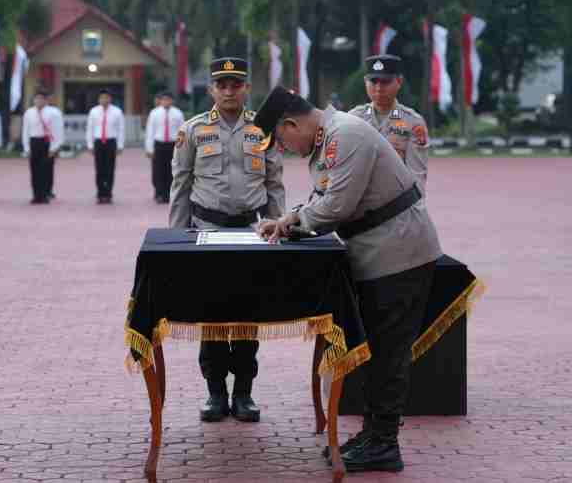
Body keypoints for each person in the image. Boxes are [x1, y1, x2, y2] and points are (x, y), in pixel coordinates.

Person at [254, 86, 442, 473]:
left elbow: (337, 206)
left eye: (282, 141)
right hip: (380, 253)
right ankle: (374, 435)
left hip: (398, 254)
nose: (286, 150)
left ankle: (384, 443)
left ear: (291, 123)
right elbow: (325, 197)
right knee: (378, 350)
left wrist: (292, 225)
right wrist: (291, 218)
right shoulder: (330, 140)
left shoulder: (345, 134)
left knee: (389, 352)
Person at [170, 57, 285, 423]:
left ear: (246, 88)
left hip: (252, 231)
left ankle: (244, 393)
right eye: (222, 85)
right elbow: (180, 186)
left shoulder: (263, 129)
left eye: (236, 84)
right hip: (208, 231)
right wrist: (177, 240)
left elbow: (274, 184)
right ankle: (215, 392)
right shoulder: (192, 130)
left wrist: (279, 228)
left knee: (249, 314)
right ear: (212, 90)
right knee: (213, 313)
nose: (229, 90)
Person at [349, 55, 429, 193]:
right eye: (373, 82)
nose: (379, 88)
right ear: (365, 82)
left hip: (396, 201)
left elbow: (417, 174)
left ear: (399, 82)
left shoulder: (413, 122)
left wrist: (413, 208)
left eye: (385, 82)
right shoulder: (353, 119)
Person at [22, 89, 64, 204]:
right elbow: (26, 131)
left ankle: (45, 193)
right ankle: (36, 195)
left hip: (47, 142)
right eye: (36, 99)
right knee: (34, 170)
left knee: (45, 170)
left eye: (41, 99)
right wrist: (26, 147)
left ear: (46, 100)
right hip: (34, 141)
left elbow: (58, 130)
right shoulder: (29, 113)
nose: (39, 101)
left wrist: (55, 147)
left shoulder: (54, 112)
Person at [85, 89, 124, 204]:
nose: (104, 100)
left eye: (106, 97)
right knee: (99, 169)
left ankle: (108, 193)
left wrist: (120, 145)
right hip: (98, 142)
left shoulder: (117, 112)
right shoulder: (93, 112)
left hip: (111, 142)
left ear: (110, 99)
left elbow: (121, 130)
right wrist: (90, 144)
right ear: (99, 99)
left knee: (110, 169)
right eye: (102, 98)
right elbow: (90, 129)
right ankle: (100, 193)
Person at [145, 90, 184, 203]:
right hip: (159, 144)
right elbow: (150, 131)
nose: (166, 102)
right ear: (160, 101)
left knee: (171, 170)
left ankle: (169, 194)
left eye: (168, 99)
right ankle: (159, 193)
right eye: (164, 100)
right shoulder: (154, 113)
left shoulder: (178, 113)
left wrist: (181, 147)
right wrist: (149, 148)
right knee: (158, 170)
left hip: (172, 145)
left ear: (172, 101)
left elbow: (182, 131)